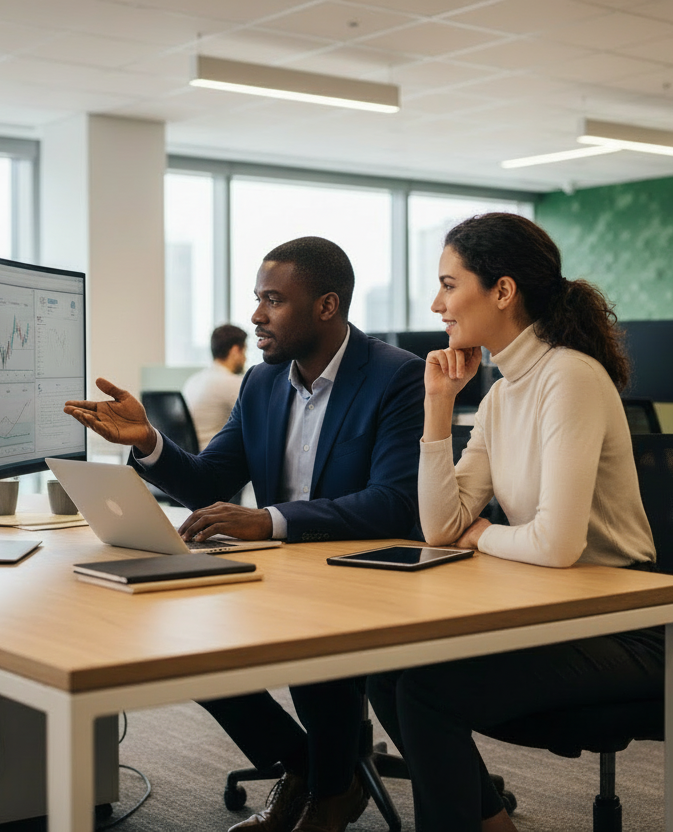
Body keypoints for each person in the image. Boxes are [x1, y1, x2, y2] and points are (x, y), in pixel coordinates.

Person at [64, 236, 424, 832]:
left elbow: (392, 502)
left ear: (327, 306)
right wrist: (148, 442)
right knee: (185, 644)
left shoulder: (395, 377)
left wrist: (270, 520)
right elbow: (210, 478)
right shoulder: (261, 383)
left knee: (317, 639)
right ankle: (304, 763)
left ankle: (333, 793)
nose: (257, 315)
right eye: (258, 299)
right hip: (285, 571)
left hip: (360, 575)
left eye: (274, 300)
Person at [366, 213, 658, 832]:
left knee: (426, 688)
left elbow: (556, 544)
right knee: (388, 669)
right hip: (560, 607)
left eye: (450, 284)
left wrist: (484, 535)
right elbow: (443, 527)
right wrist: (439, 406)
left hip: (628, 624)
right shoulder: (503, 392)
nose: (437, 303)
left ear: (502, 291)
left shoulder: (568, 377)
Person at [182, 323, 247, 449]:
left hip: (191, 457)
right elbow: (256, 421)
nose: (245, 359)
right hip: (213, 457)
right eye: (244, 352)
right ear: (235, 351)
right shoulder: (231, 382)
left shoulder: (193, 380)